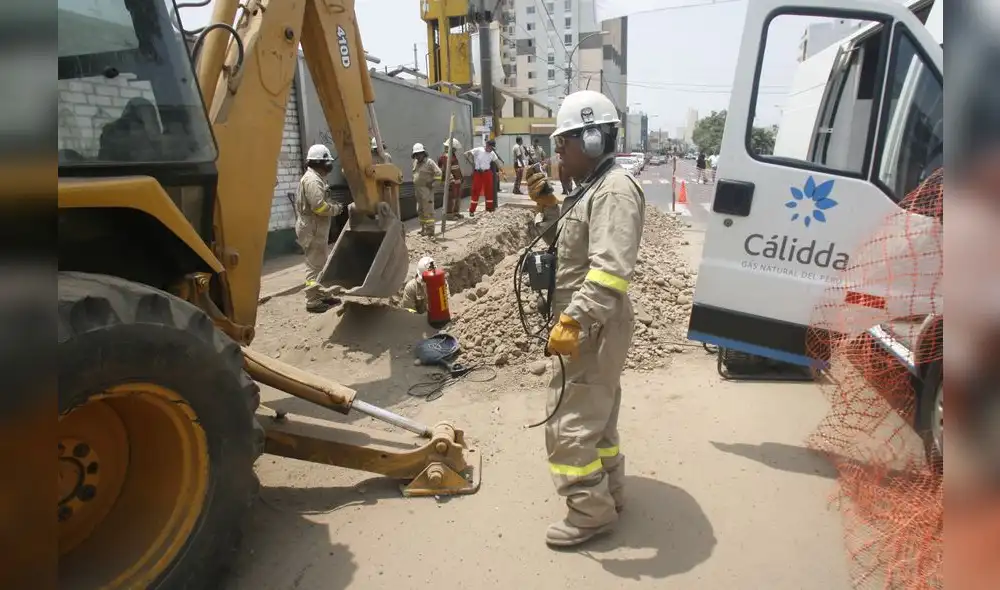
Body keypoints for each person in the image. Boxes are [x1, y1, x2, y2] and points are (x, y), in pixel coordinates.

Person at [524, 89, 645, 547]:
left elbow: (610, 271)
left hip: (592, 326)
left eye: (563, 144)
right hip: (590, 323)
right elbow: (568, 249)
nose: (557, 153)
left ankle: (591, 514)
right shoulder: (592, 188)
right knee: (598, 419)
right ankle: (610, 492)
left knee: (569, 426)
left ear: (592, 141)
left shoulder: (613, 191)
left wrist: (573, 321)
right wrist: (547, 207)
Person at [295, 144, 344, 313]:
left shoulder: (317, 178)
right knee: (314, 266)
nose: (330, 165)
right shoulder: (313, 181)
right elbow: (319, 207)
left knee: (321, 264)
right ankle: (313, 300)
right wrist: (336, 209)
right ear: (320, 162)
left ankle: (322, 295)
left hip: (316, 229)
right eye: (327, 162)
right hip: (313, 229)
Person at [411, 142, 441, 236]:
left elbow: (439, 173)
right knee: (420, 210)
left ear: (423, 153)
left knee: (428, 211)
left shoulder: (429, 162)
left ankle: (430, 231)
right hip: (418, 191)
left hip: (426, 191)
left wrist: (433, 184)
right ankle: (423, 229)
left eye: (419, 153)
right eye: (416, 154)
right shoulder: (415, 162)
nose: (418, 156)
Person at [464, 139, 498, 216]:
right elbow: (466, 154)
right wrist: (472, 163)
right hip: (478, 173)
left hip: (487, 173)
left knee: (489, 191)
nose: (491, 149)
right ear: (487, 146)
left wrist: (502, 172)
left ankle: (489, 209)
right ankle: (472, 210)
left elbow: (496, 162)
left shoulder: (492, 153)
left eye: (493, 148)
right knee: (476, 191)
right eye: (491, 148)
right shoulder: (478, 150)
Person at [438, 138, 464, 220]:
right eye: (455, 148)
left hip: (457, 181)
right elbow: (446, 170)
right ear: (451, 148)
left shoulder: (453, 156)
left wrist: (461, 178)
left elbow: (456, 168)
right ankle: (449, 215)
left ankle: (456, 213)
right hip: (451, 182)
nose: (456, 150)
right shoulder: (445, 157)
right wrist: (451, 180)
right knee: (451, 198)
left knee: (457, 198)